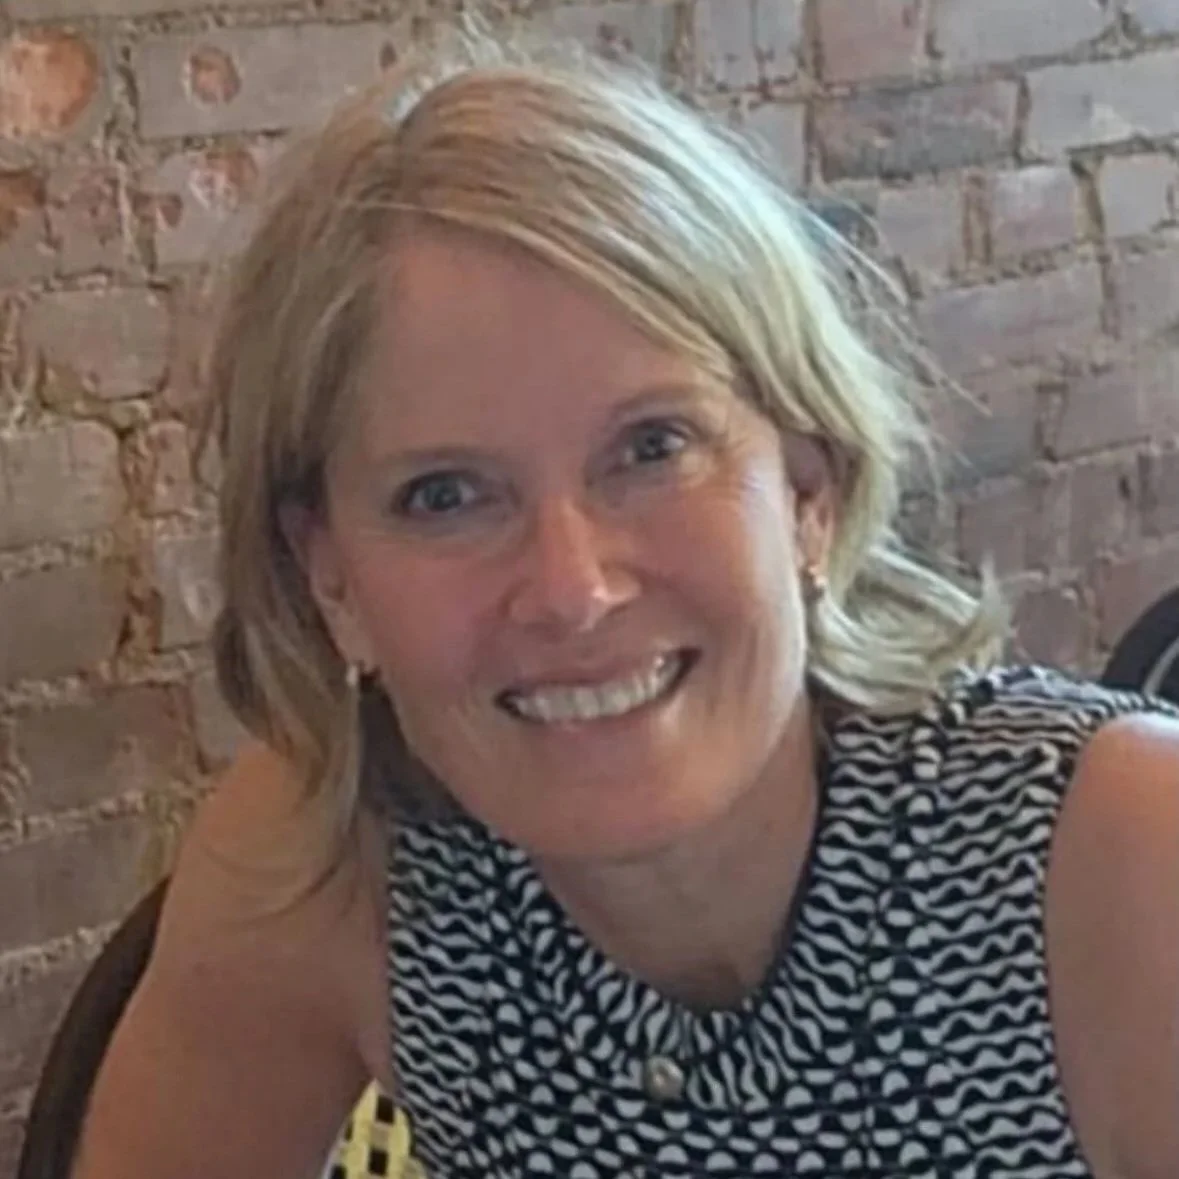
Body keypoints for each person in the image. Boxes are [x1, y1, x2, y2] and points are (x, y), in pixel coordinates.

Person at [74, 19, 1179, 1179]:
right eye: (446, 495)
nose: (573, 589)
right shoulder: (338, 856)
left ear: (808, 486)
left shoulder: (1120, 865)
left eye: (653, 447)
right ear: (331, 577)